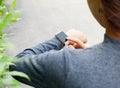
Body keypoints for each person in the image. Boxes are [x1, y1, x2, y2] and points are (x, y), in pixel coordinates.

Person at [10, 0, 120, 88]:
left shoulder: (69, 64)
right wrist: (92, 52)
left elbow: (16, 65)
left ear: (101, 6)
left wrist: (61, 38)